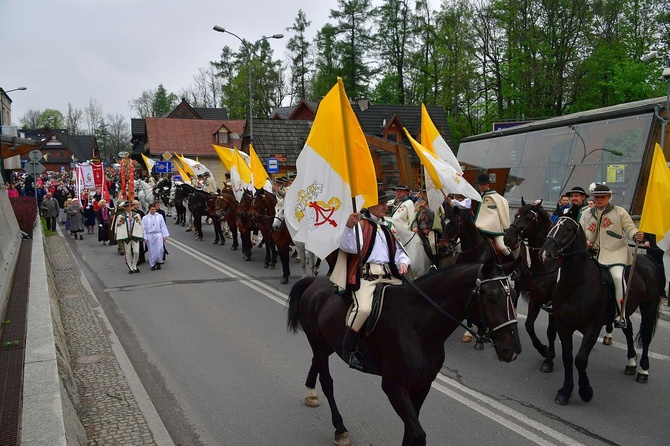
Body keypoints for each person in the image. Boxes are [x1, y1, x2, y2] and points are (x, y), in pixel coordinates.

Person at [337, 189, 411, 371]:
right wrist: (348, 228)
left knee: (413, 299)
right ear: (370, 205)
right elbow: (349, 247)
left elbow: (401, 252)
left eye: (386, 204)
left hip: (390, 275)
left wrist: (403, 262)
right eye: (382, 204)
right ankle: (347, 350)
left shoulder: (388, 225)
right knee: (363, 309)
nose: (385, 207)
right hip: (366, 275)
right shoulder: (360, 224)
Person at [580, 184, 644, 328]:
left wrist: (636, 235)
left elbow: (630, 229)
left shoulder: (620, 212)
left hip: (615, 253)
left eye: (602, 197)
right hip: (591, 253)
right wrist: (585, 242)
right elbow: (580, 231)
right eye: (597, 197)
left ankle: (620, 314)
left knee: (616, 277)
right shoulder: (586, 213)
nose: (599, 199)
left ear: (609, 197)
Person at [473, 173, 513, 262]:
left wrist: (506, 227)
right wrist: (451, 203)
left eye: (484, 184)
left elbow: (503, 210)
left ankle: (513, 265)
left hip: (494, 230)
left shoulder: (497, 197)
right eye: (480, 184)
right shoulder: (476, 196)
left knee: (502, 247)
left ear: (488, 185)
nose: (482, 186)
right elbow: (463, 205)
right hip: (478, 228)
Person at [410, 189, 444, 266]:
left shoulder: (435, 204)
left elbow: (433, 218)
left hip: (430, 230)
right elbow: (414, 218)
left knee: (433, 244)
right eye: (422, 192)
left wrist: (425, 209)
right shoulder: (417, 204)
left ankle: (435, 264)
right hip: (419, 230)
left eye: (425, 193)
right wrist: (415, 226)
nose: (423, 194)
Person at [115, 201, 143, 274]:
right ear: (124, 208)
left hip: (135, 235)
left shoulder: (137, 215)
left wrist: (132, 220)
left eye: (130, 206)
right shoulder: (121, 216)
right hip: (126, 236)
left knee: (136, 251)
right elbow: (118, 226)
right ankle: (130, 267)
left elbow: (140, 225)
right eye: (127, 206)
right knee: (128, 252)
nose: (129, 208)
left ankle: (134, 265)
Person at [142, 203, 170, 271]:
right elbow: (143, 228)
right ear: (149, 210)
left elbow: (163, 226)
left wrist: (164, 235)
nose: (153, 211)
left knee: (160, 249)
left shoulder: (159, 216)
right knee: (152, 251)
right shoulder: (145, 218)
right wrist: (144, 237)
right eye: (152, 209)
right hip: (150, 235)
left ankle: (158, 262)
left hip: (158, 234)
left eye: (154, 209)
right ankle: (153, 264)